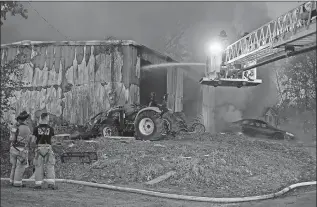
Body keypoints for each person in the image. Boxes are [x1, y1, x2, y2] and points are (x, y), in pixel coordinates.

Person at [32, 112, 57, 190]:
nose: (49, 118)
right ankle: (51, 184)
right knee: (50, 166)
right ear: (45, 118)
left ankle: (38, 184)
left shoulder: (36, 128)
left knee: (38, 166)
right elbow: (53, 140)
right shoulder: (51, 128)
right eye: (48, 117)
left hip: (39, 149)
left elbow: (33, 140)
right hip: (48, 149)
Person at [9, 111, 34, 187]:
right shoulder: (26, 128)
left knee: (13, 166)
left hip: (13, 149)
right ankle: (17, 183)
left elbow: (11, 139)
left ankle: (11, 181)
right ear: (25, 119)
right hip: (21, 150)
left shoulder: (14, 127)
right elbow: (29, 140)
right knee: (20, 167)